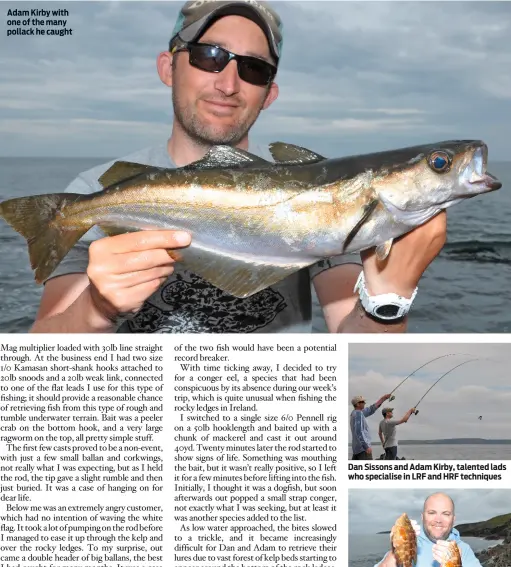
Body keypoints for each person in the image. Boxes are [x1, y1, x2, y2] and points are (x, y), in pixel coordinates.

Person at [30, 0, 447, 334]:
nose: (228, 84)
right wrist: (95, 310)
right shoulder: (91, 191)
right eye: (209, 56)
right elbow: (42, 356)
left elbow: (355, 339)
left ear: (269, 93)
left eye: (254, 68)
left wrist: (390, 296)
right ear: (167, 67)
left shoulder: (328, 197)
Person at [371, 492, 488, 567]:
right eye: (432, 513)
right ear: (422, 517)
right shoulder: (410, 542)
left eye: (446, 514)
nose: (438, 520)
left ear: (453, 519)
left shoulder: (464, 549)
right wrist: (396, 548)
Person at [350, 393, 391, 459]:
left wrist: (383, 398)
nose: (365, 403)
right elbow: (358, 431)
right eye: (362, 402)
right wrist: (366, 446)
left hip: (356, 450)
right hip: (363, 450)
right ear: (357, 404)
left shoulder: (355, 413)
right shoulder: (358, 413)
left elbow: (371, 409)